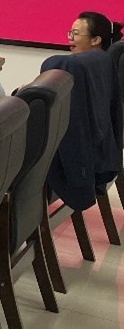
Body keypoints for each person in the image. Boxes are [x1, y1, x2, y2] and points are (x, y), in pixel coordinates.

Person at [39, 11, 123, 212]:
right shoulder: (103, 63)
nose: (70, 39)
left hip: (69, 166)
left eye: (76, 34)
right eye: (70, 33)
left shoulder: (71, 66)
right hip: (100, 157)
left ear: (96, 40)